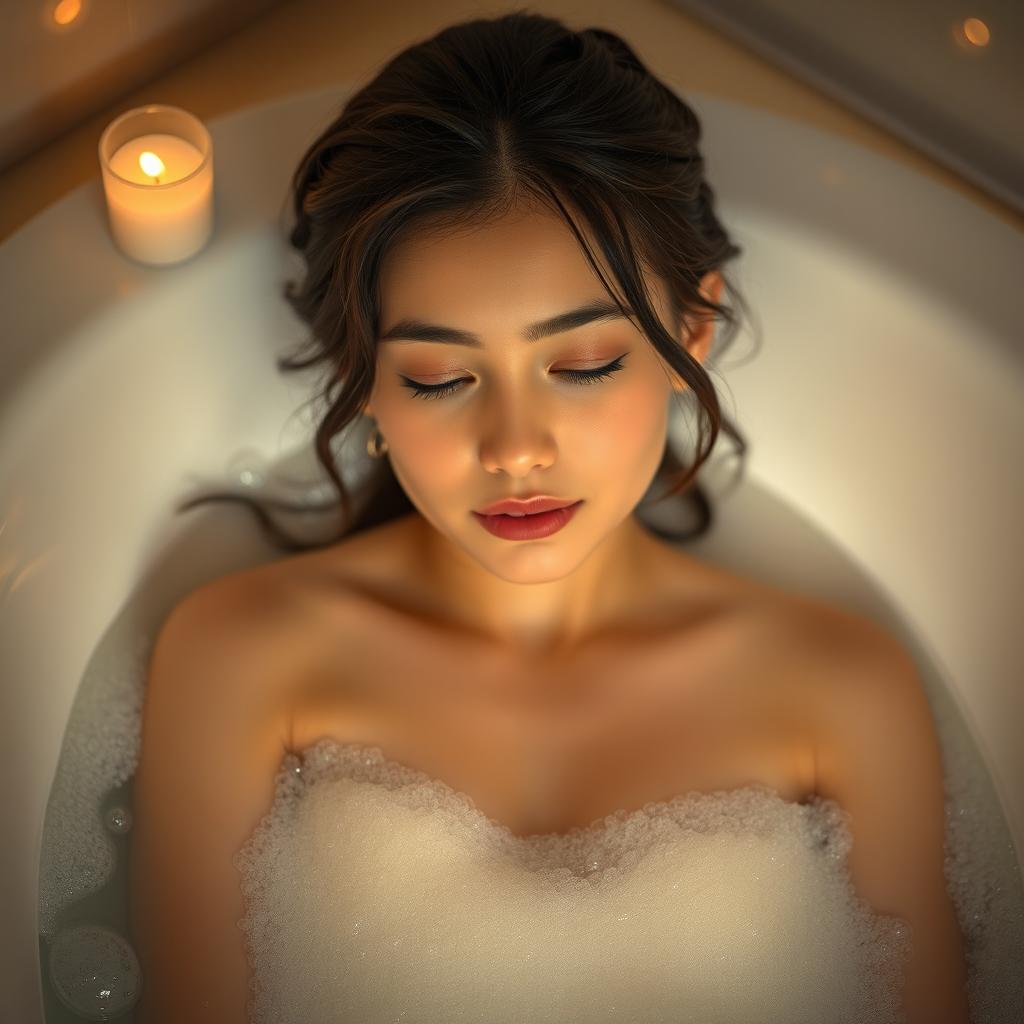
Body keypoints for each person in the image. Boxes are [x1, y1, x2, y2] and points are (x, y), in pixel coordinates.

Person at [128, 10, 970, 1023]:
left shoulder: (842, 691)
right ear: (368, 387)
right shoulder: (240, 658)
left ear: (688, 333)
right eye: (439, 377)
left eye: (583, 365)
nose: (515, 447)